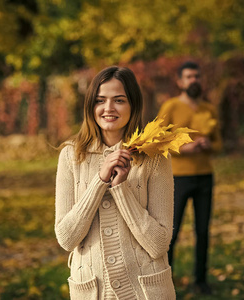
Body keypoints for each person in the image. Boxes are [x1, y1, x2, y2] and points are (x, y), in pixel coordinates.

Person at [55, 66, 176, 300]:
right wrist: (99, 181)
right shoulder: (71, 156)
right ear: (90, 105)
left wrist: (121, 190)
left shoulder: (155, 157)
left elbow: (159, 244)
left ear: (133, 105)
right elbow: (66, 239)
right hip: (93, 292)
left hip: (146, 292)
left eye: (119, 100)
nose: (108, 108)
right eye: (100, 100)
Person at [158, 61, 222, 295]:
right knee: (172, 232)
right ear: (180, 81)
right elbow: (158, 140)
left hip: (205, 176)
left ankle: (201, 281)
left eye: (197, 76)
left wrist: (209, 145)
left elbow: (219, 143)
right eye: (188, 76)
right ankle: (166, 281)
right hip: (178, 177)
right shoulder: (171, 106)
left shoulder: (209, 109)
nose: (194, 80)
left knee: (203, 231)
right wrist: (183, 149)